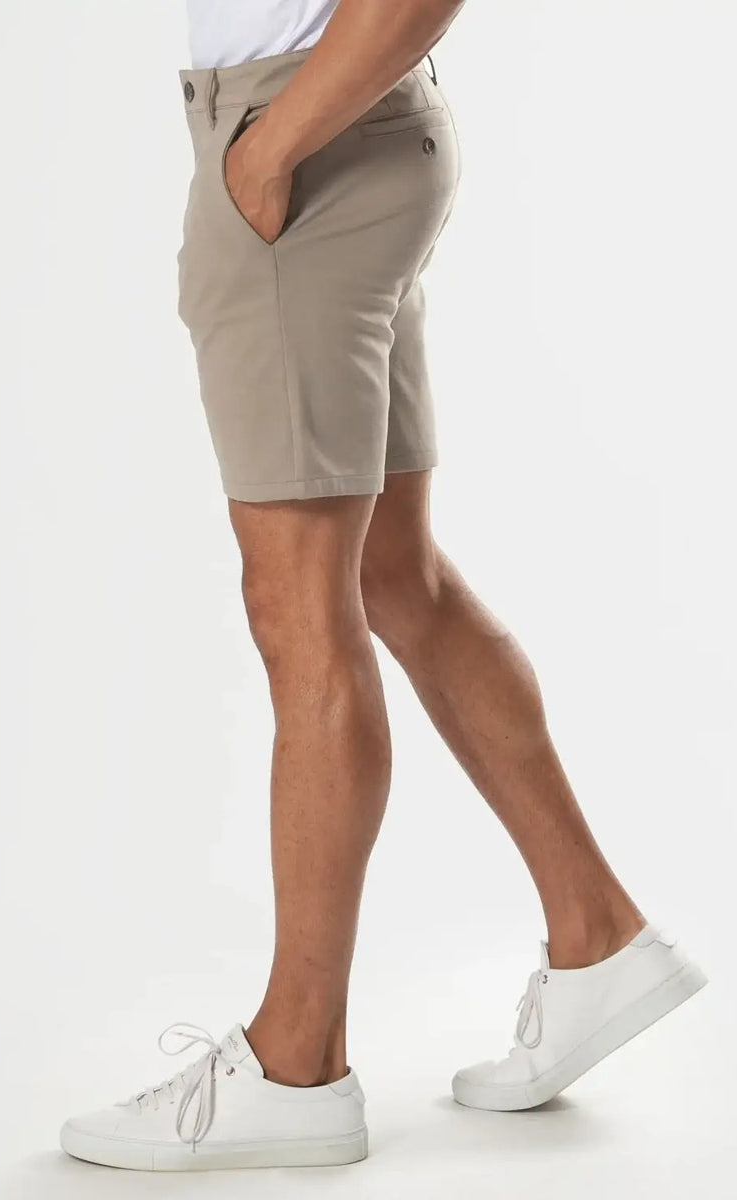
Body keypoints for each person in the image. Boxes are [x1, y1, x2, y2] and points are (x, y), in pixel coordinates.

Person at [60, 0, 706, 1172]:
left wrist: (264, 156)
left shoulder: (281, 149)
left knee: (299, 611)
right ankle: (596, 933)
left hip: (304, 136)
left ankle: (296, 1064)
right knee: (392, 576)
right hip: (345, 125)